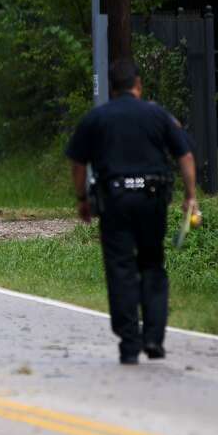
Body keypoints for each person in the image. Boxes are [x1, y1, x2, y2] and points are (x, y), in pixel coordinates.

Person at [66, 58, 197, 365]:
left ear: (112, 89)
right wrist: (191, 196)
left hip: (115, 200)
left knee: (121, 268)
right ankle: (153, 337)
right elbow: (185, 155)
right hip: (152, 199)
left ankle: (129, 343)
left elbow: (77, 162)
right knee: (152, 263)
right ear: (139, 84)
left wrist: (82, 198)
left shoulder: (97, 117)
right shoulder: (157, 114)